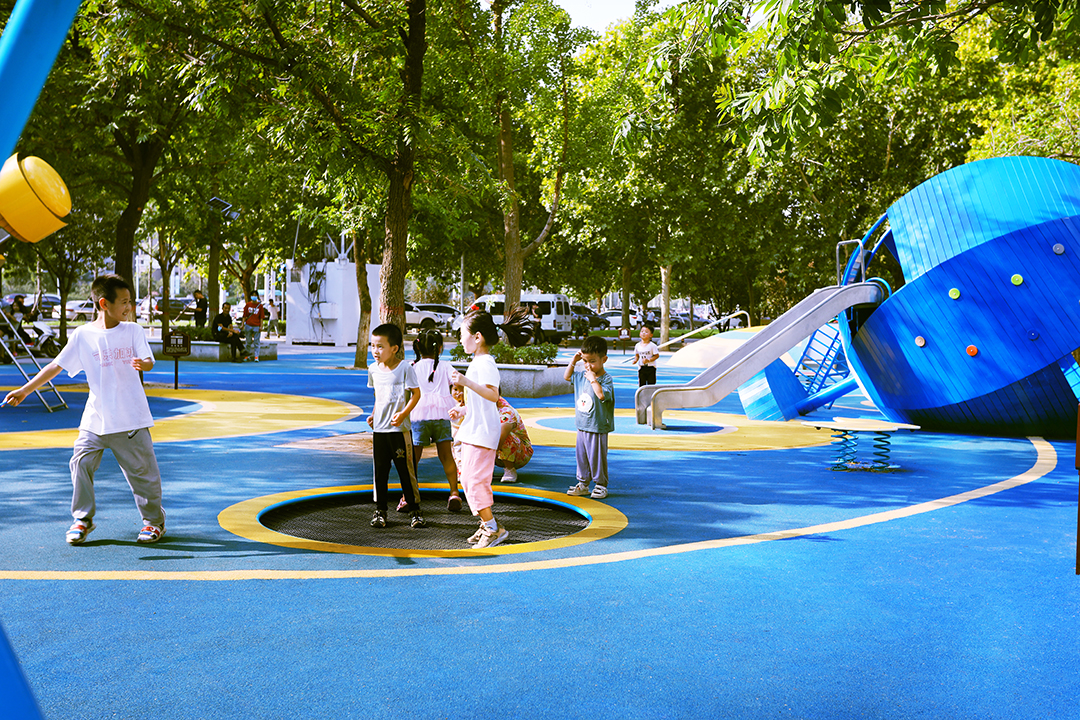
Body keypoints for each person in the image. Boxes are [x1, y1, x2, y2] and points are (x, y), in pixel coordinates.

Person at [2, 274, 167, 545]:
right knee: (80, 463)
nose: (129, 307)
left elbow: (147, 359)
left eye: (130, 301)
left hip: (130, 418)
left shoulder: (133, 331)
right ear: (104, 303)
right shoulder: (83, 335)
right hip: (95, 418)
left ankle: (154, 521)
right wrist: (25, 390)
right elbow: (55, 366)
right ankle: (83, 519)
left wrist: (145, 364)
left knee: (143, 474)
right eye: (124, 302)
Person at [449, 306, 533, 548]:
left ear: (477, 337)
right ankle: (486, 525)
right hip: (474, 430)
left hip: (482, 434)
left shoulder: (485, 363)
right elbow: (480, 401)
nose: (460, 339)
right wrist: (464, 410)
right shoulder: (478, 362)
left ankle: (493, 528)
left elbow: (493, 395)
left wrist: (465, 382)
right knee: (468, 480)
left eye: (462, 334)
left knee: (475, 481)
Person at [367, 322, 425, 529]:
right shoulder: (373, 369)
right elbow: (378, 395)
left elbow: (416, 394)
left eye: (380, 347)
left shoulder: (404, 368)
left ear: (394, 348)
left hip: (399, 431)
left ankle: (415, 510)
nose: (375, 351)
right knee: (380, 471)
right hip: (379, 430)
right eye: (373, 346)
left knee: (406, 471)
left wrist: (403, 414)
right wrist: (373, 414)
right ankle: (380, 510)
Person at [406, 329, 462, 512]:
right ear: (439, 348)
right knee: (446, 456)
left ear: (418, 347)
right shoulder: (445, 366)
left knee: (414, 458)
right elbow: (458, 381)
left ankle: (408, 495)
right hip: (442, 415)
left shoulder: (412, 366)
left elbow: (406, 390)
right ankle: (454, 492)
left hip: (418, 415)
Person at [564, 335, 615, 499]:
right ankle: (583, 483)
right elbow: (567, 376)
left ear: (604, 359)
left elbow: (601, 395)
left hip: (597, 426)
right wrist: (574, 360)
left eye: (592, 361)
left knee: (596, 457)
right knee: (582, 456)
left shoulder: (606, 379)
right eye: (585, 361)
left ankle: (600, 484)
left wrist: (593, 380)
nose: (588, 365)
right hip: (582, 425)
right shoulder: (582, 375)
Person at [494, 396, 532, 483]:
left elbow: (501, 436)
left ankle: (509, 469)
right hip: (494, 452)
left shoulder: (506, 411)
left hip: (519, 453)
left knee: (504, 434)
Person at [241, 294, 266, 361]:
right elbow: (244, 315)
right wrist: (242, 324)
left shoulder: (260, 306)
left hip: (256, 326)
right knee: (248, 341)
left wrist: (261, 326)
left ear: (257, 296)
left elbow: (261, 317)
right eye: (252, 295)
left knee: (256, 342)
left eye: (255, 295)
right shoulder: (248, 305)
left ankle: (256, 356)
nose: (254, 296)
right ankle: (247, 355)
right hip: (248, 325)